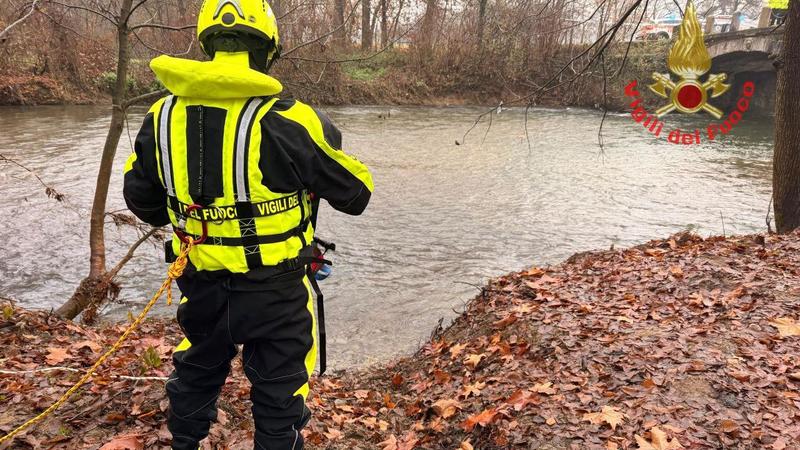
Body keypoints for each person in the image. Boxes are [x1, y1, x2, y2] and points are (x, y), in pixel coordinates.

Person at [121, 0, 373, 448]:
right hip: (277, 292)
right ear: (269, 48)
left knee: (196, 369)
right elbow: (356, 195)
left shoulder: (159, 119)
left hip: (201, 284)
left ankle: (184, 444)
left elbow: (144, 203)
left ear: (205, 44)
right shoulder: (292, 120)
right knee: (280, 391)